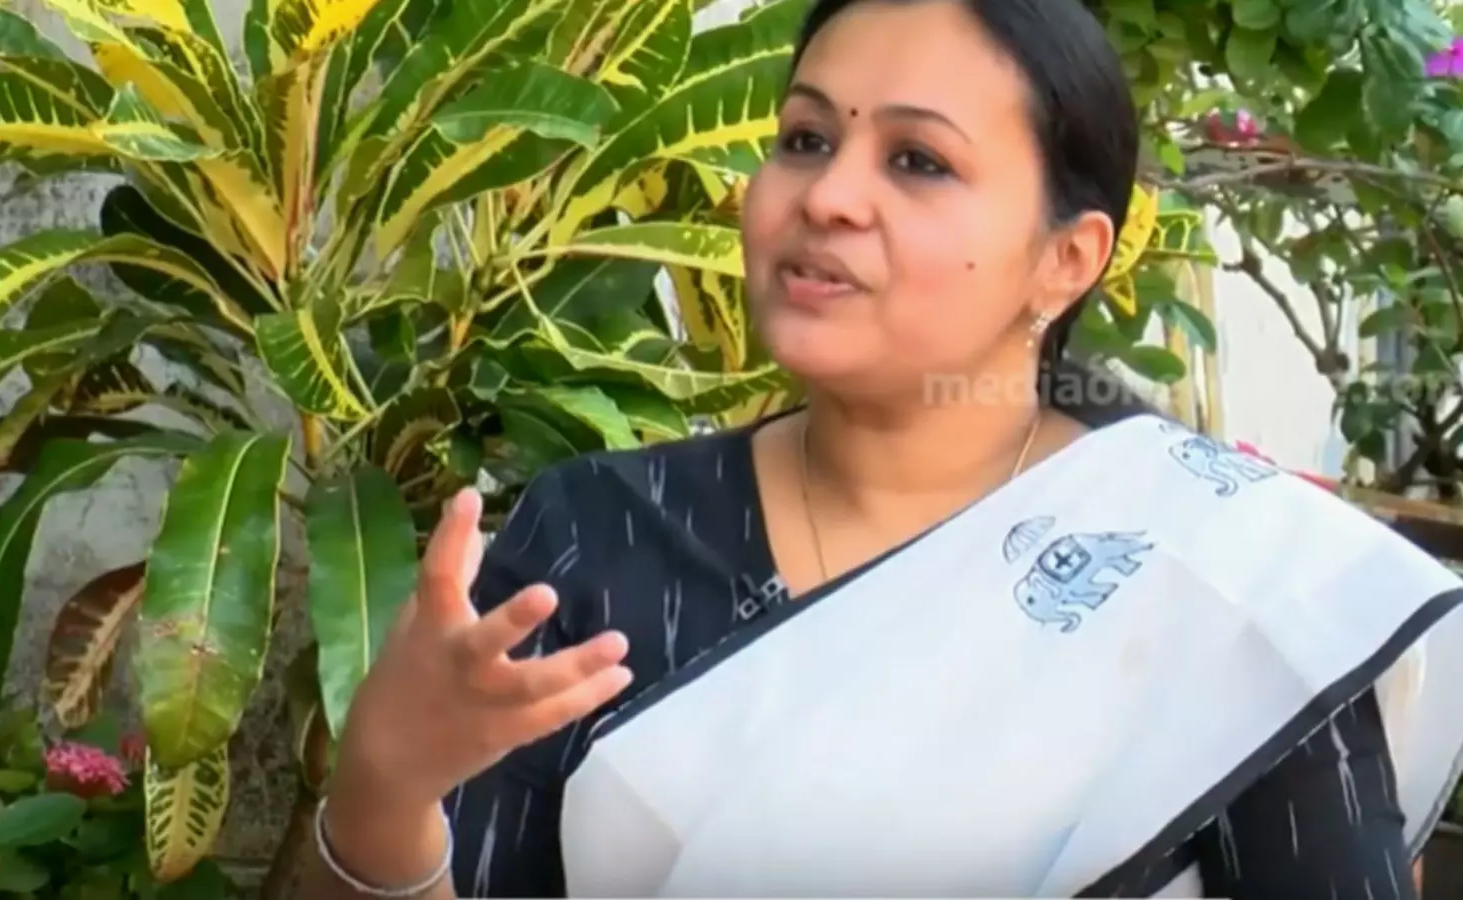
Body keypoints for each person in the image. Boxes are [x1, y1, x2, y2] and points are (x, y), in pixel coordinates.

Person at [301, 0, 1463, 896]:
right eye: (806, 139)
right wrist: (385, 790)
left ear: (1066, 259)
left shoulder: (1217, 583)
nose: (829, 198)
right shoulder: (595, 539)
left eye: (918, 161)